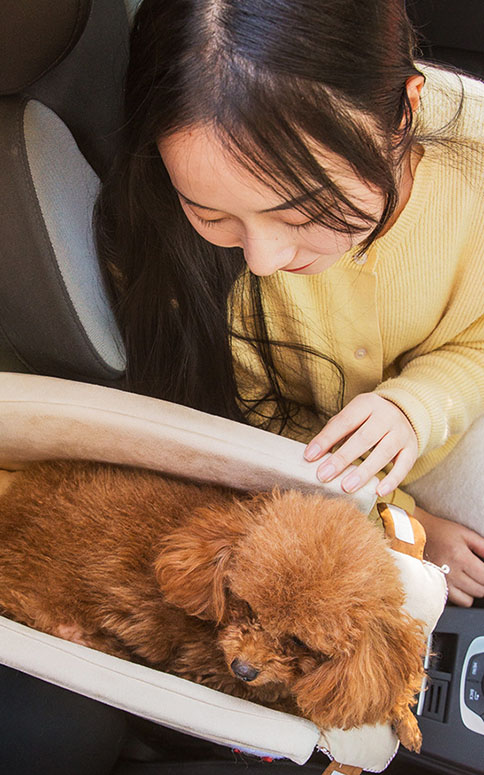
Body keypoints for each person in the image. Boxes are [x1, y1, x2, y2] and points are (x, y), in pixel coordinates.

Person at [95, 0, 484, 606]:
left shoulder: (475, 172)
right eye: (212, 214)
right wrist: (405, 523)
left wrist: (420, 405)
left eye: (304, 212)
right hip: (311, 477)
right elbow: (247, 427)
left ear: (405, 112)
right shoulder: (163, 243)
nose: (263, 260)